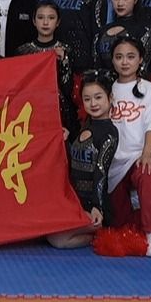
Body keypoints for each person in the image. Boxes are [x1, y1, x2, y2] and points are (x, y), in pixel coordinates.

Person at [104, 36, 151, 258]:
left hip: (140, 155)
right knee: (121, 225)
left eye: (130, 57)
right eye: (119, 57)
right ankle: (137, 208)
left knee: (148, 173)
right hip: (114, 163)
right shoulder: (106, 88)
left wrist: (147, 154)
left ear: (140, 59)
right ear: (112, 60)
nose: (124, 62)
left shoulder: (149, 89)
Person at [47, 71, 118, 249]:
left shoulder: (110, 133)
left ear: (110, 98)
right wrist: (65, 139)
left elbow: (101, 172)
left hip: (94, 207)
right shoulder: (85, 126)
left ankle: (99, 233)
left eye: (98, 97)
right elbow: (75, 160)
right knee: (46, 228)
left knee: (57, 239)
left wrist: (97, 207)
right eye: (87, 99)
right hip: (74, 202)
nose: (93, 104)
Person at [15, 0, 78, 139]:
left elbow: (68, 87)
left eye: (51, 18)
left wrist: (64, 61)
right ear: (34, 21)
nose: (45, 22)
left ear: (58, 22)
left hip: (58, 110)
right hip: (30, 110)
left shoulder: (65, 50)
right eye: (40, 17)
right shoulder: (22, 51)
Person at [94, 0, 151, 73]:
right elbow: (97, 66)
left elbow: (143, 69)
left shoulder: (143, 31)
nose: (120, 3)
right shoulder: (102, 31)